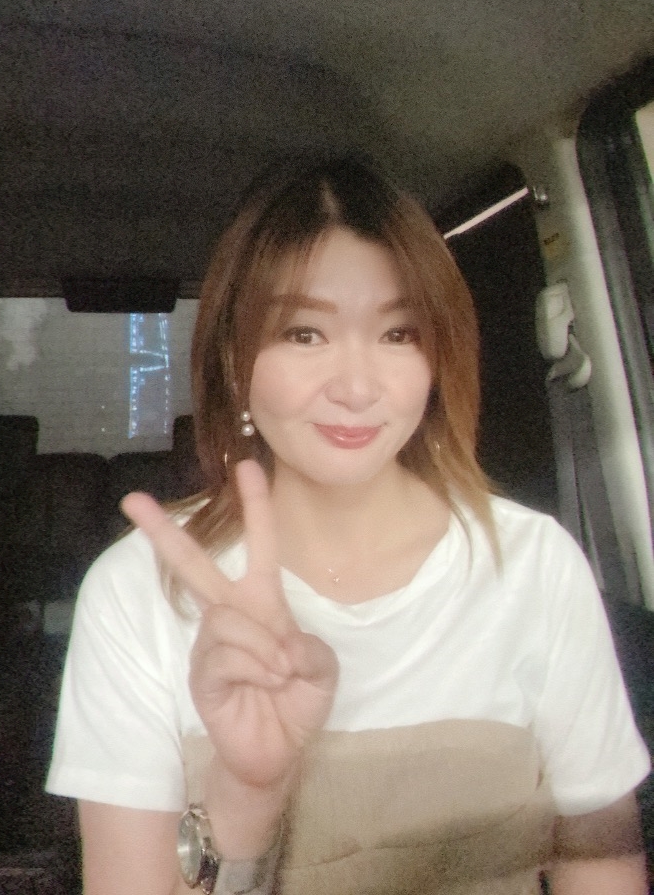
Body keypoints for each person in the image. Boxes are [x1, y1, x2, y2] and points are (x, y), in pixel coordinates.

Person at [47, 158, 650, 895]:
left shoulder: (533, 563)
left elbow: (601, 857)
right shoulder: (138, 591)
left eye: (399, 334)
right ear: (235, 360)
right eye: (305, 334)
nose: (358, 388)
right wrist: (245, 793)